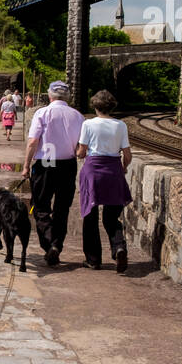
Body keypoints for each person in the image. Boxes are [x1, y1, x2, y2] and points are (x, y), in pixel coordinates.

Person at [20, 81, 84, 266]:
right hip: (68, 164)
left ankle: (49, 244)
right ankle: (56, 244)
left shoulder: (43, 113)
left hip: (46, 162)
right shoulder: (78, 116)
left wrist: (25, 166)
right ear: (67, 97)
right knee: (62, 209)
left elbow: (33, 142)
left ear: (49, 96)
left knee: (40, 206)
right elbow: (81, 146)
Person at [76, 90, 132, 271]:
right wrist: (123, 167)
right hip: (114, 170)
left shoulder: (88, 124)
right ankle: (119, 247)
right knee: (111, 216)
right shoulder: (120, 125)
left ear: (95, 105)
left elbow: (82, 151)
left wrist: (77, 153)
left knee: (90, 215)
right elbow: (128, 155)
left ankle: (93, 259)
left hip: (93, 170)